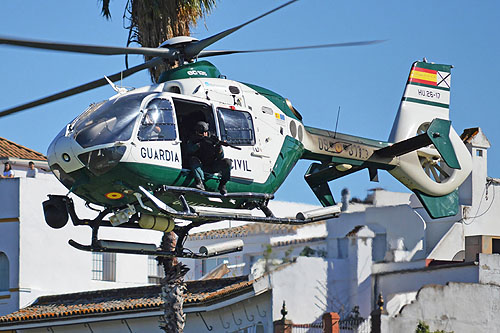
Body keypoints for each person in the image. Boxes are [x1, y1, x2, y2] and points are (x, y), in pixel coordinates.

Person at [186, 121, 232, 195]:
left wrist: (218, 146)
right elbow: (189, 150)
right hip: (200, 166)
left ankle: (222, 184)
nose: (204, 135)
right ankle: (199, 181)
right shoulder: (193, 139)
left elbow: (221, 156)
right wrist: (199, 144)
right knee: (193, 160)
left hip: (213, 166)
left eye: (205, 132)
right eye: (201, 133)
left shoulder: (212, 139)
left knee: (227, 162)